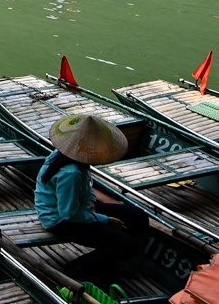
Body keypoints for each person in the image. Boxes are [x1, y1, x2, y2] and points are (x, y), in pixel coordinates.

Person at [34, 111, 149, 280]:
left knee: (137, 216)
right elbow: (69, 213)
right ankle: (76, 269)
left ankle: (110, 258)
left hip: (77, 205)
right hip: (60, 219)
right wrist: (105, 219)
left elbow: (86, 188)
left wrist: (91, 201)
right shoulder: (71, 173)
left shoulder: (72, 156)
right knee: (129, 246)